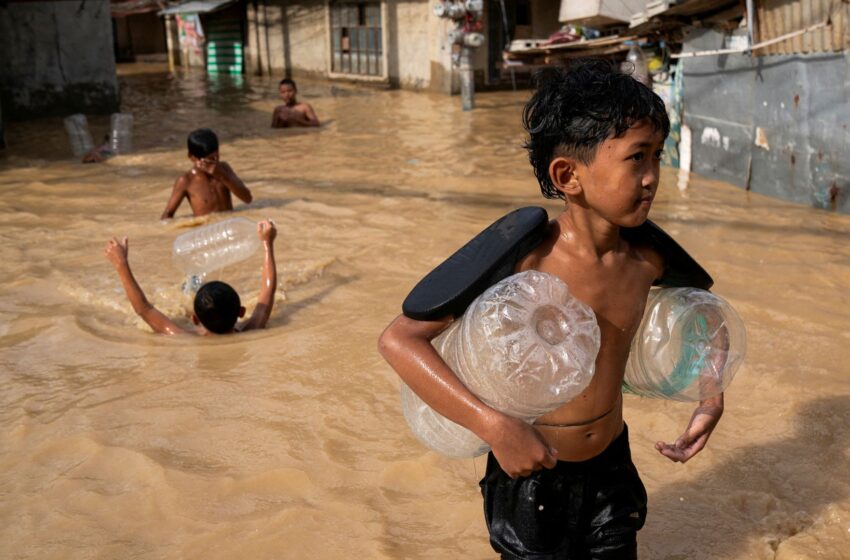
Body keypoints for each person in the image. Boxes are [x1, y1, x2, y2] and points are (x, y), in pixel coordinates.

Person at [377, 60, 724, 559]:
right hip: (529, 473)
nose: (652, 178)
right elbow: (399, 339)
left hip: (611, 465)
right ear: (569, 175)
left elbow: (707, 313)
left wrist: (710, 398)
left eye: (657, 156)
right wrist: (494, 428)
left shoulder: (647, 258)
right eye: (635, 158)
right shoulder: (524, 258)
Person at [104, 220, 278, 335]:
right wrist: (266, 244)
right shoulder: (252, 329)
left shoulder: (181, 337)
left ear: (194, 319)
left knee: (188, 287)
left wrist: (121, 264)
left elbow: (144, 310)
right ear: (241, 312)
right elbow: (268, 291)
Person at [161, 128, 253, 220]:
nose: (214, 162)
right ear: (192, 157)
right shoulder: (186, 181)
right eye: (209, 159)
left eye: (216, 157)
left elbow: (247, 198)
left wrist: (222, 176)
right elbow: (167, 215)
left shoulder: (224, 168)